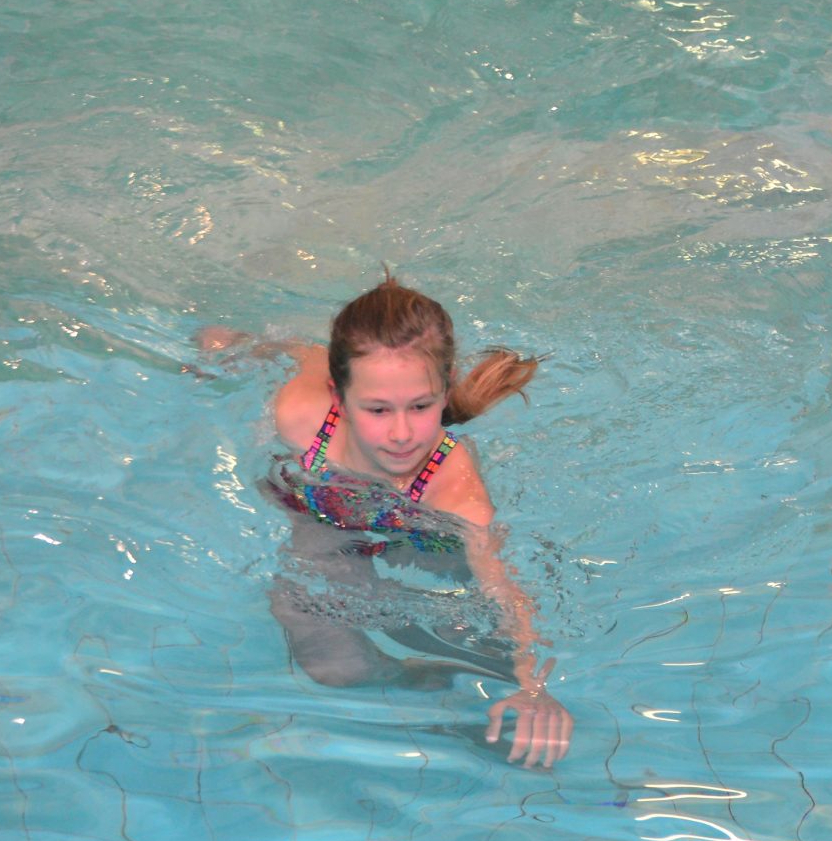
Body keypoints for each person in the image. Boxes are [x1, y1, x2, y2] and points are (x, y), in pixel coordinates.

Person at [199, 278, 575, 769]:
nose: (401, 434)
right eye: (377, 410)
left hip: (420, 528)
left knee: (470, 626)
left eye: (420, 406)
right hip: (319, 512)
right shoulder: (300, 417)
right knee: (334, 667)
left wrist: (533, 685)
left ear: (445, 392)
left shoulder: (457, 491)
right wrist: (230, 348)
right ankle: (412, 676)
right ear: (339, 395)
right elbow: (297, 351)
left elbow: (508, 588)